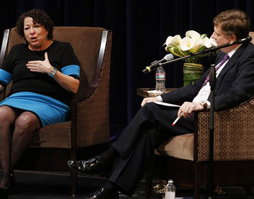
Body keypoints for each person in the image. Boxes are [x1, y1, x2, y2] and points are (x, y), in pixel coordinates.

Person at [67, 9, 254, 199]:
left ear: (232, 38)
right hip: (192, 111)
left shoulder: (248, 56)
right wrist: (160, 98)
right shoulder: (223, 54)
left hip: (211, 117)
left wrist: (204, 105)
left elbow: (239, 93)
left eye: (217, 34)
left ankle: (106, 158)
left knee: (149, 111)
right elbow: (197, 87)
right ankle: (111, 189)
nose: (212, 36)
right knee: (149, 133)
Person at [0, 9, 80, 193]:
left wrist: (51, 71)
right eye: (27, 28)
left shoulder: (63, 49)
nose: (31, 32)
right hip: (18, 99)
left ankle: (5, 176)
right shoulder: (17, 51)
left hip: (51, 103)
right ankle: (7, 176)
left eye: (36, 27)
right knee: (1, 113)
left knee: (25, 120)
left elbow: (74, 86)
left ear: (47, 29)